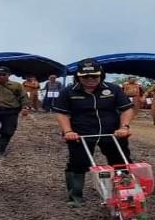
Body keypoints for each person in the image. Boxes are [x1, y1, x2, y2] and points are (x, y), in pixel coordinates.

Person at [52, 59, 135, 207]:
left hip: (112, 133)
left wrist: (124, 127)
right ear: (78, 76)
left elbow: (126, 109)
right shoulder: (68, 92)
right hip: (81, 133)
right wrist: (68, 131)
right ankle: (75, 196)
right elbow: (61, 113)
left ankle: (126, 193)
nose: (90, 80)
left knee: (121, 162)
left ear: (101, 75)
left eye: (94, 76)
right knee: (77, 163)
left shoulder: (113, 89)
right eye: (85, 77)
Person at [0, 66, 30, 156]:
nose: (1, 76)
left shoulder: (16, 85)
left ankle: (1, 150)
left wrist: (25, 107)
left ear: (8, 75)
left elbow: (23, 96)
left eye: (3, 75)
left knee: (7, 131)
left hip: (11, 111)